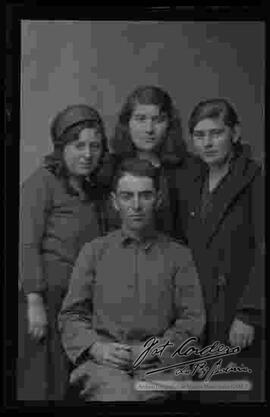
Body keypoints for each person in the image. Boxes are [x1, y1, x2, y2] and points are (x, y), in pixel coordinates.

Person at [58, 158, 205, 402]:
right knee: (121, 395)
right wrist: (97, 348)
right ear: (115, 202)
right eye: (127, 196)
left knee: (152, 395)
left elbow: (192, 320)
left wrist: (152, 350)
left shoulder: (179, 255)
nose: (136, 205)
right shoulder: (94, 252)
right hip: (105, 365)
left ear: (157, 200)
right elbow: (72, 315)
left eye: (145, 196)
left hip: (160, 363)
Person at [18, 104, 113, 401]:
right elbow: (26, 242)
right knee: (42, 384)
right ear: (61, 147)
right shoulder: (41, 182)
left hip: (80, 305)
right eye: (78, 145)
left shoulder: (92, 189)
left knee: (73, 385)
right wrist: (34, 302)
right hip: (47, 301)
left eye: (95, 146)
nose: (87, 154)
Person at [181, 98, 265, 402]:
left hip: (236, 309)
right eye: (200, 135)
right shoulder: (192, 181)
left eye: (216, 133)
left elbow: (263, 248)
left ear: (235, 133)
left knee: (231, 391)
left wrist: (249, 312)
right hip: (198, 307)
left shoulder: (254, 179)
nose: (207, 143)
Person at [107, 85, 202, 241]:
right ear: (127, 123)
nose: (149, 129)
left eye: (158, 120)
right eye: (140, 119)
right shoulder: (109, 168)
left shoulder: (191, 169)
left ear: (169, 124)